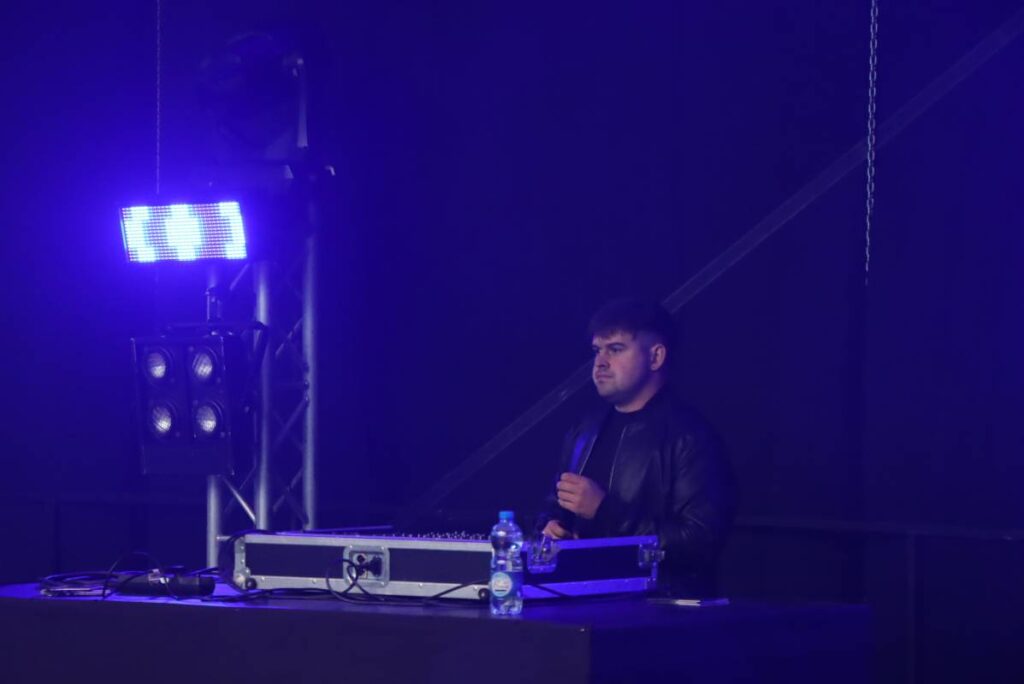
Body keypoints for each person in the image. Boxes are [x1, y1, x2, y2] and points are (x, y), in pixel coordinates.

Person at [538, 297, 736, 597]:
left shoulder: (689, 437)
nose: (600, 362)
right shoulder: (584, 431)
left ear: (655, 357)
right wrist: (550, 528)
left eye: (616, 349)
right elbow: (553, 508)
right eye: (597, 350)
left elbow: (700, 539)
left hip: (658, 610)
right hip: (580, 602)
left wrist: (605, 510)